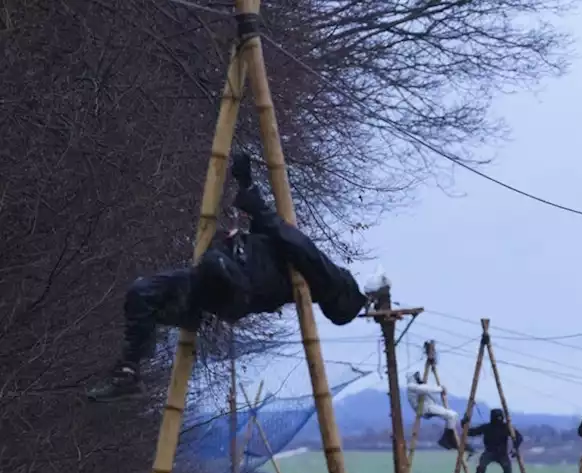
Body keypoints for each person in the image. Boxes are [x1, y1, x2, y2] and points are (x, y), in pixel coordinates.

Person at [88, 152, 373, 401]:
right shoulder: (291, 260)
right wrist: (246, 183)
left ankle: (189, 310)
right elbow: (270, 227)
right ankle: (128, 371)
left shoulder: (321, 276)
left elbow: (290, 239)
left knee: (212, 264)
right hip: (214, 281)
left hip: (236, 285)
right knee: (142, 291)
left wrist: (254, 204)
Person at [406, 373, 468, 452]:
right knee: (451, 415)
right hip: (424, 408)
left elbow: (430, 394)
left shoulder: (418, 386)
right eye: (417, 376)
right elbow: (423, 389)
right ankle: (446, 439)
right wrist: (440, 389)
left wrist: (440, 391)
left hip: (428, 406)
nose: (419, 377)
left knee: (453, 416)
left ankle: (448, 438)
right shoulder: (411, 386)